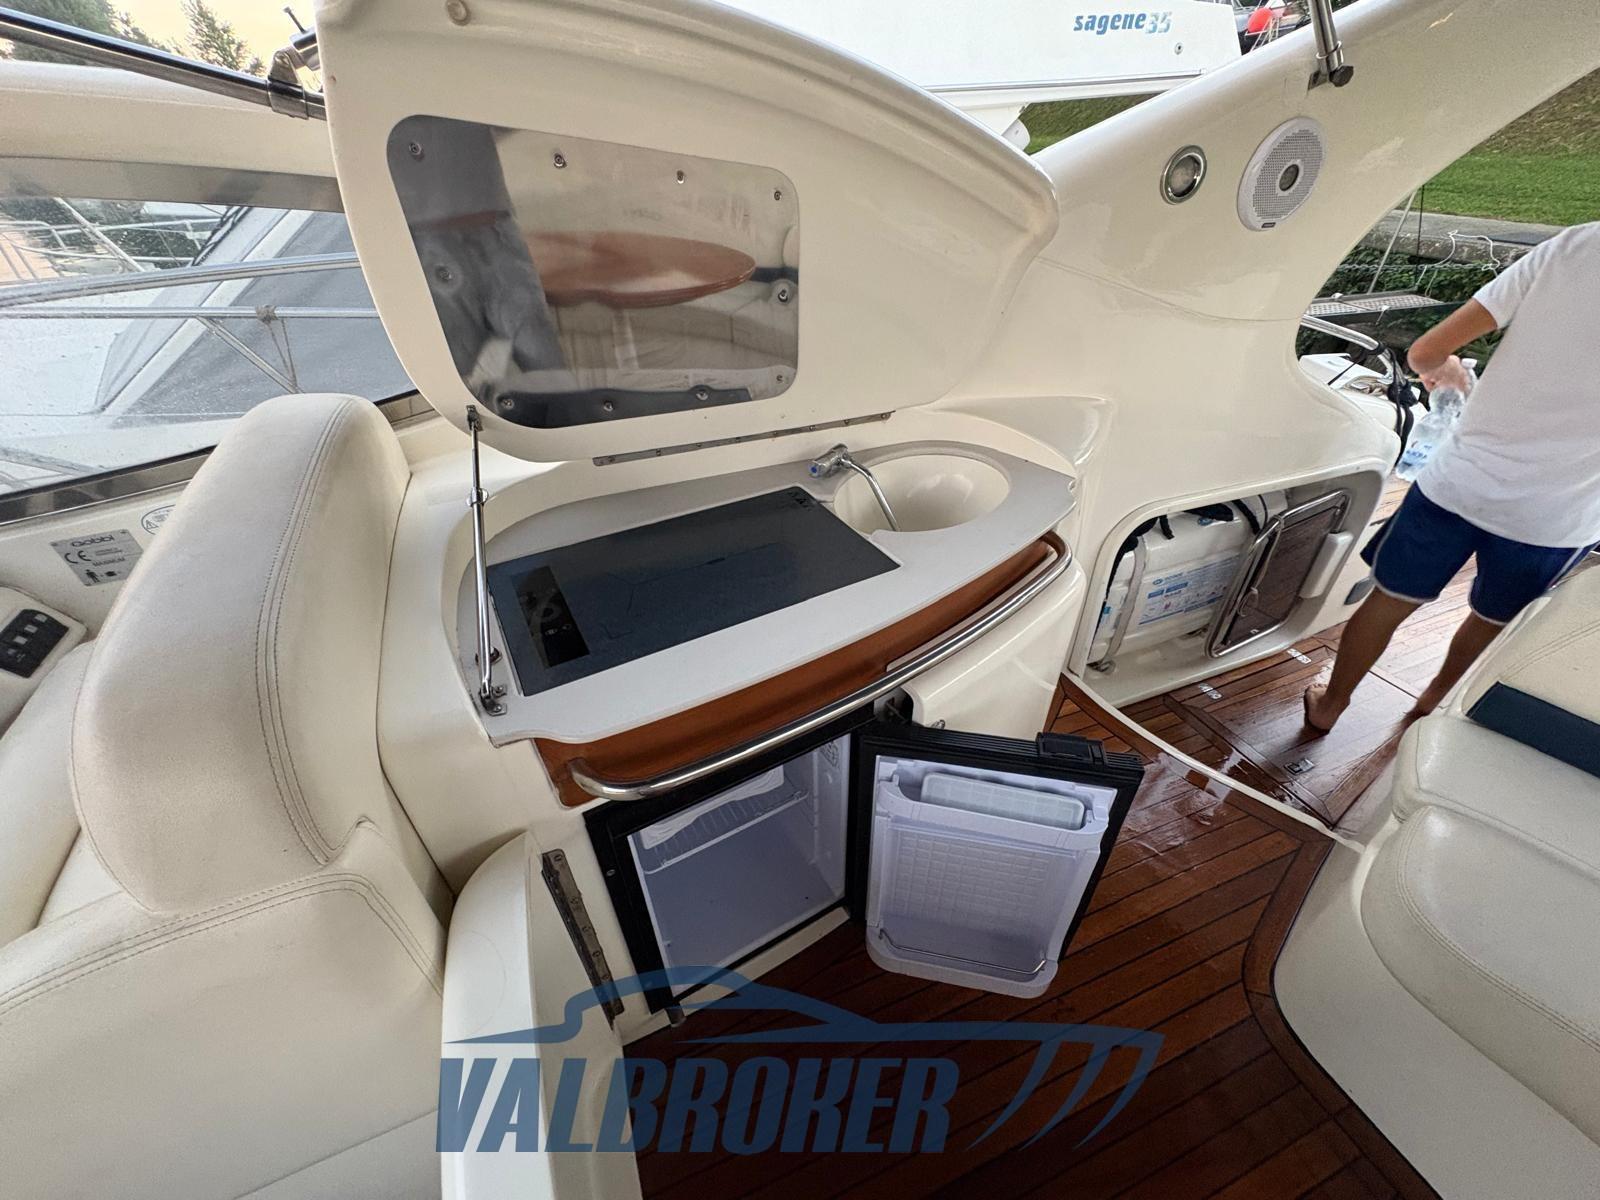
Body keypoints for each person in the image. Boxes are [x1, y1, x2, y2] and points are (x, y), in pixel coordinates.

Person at [1305, 221, 1600, 733]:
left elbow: (1425, 352)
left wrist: (1449, 372)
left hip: (1459, 485)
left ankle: (1331, 705)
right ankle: (1432, 702)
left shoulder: (1579, 244)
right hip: (1556, 518)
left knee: (1390, 599)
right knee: (1493, 620)